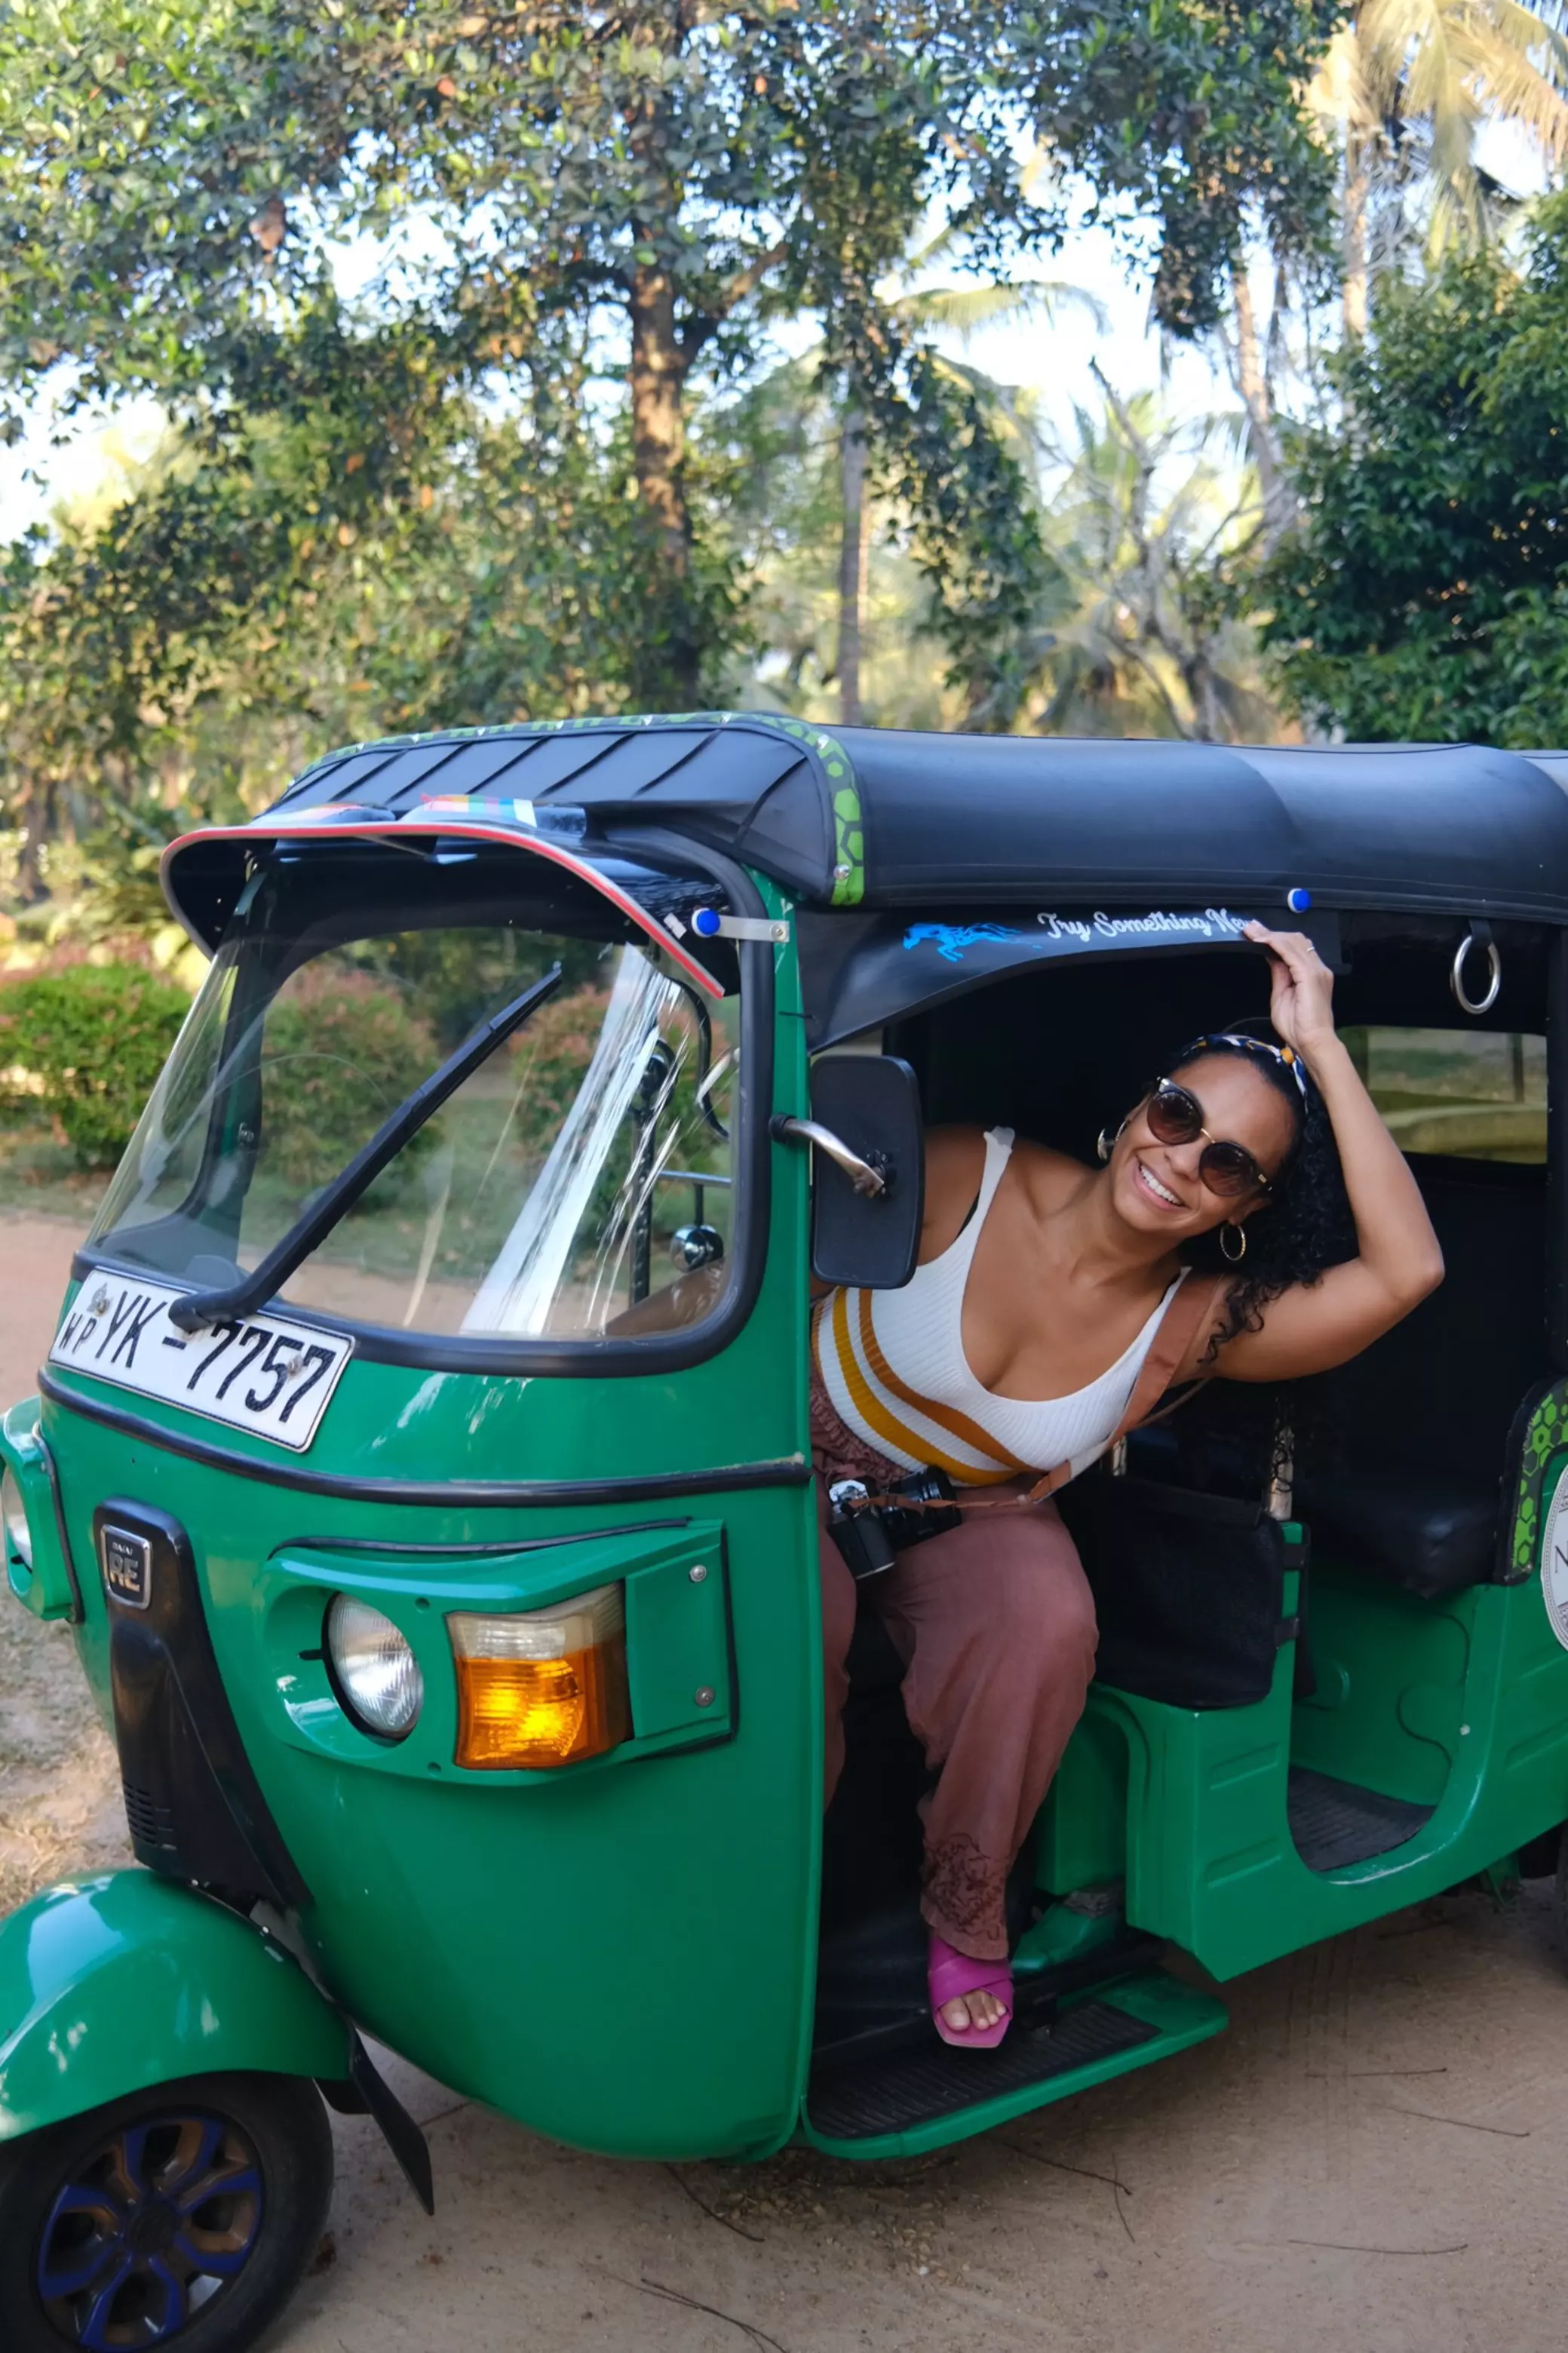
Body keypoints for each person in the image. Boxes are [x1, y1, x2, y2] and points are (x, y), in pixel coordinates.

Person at [811, 924, 1444, 2048]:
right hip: (790, 1459)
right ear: (1139, 1107)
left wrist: (1322, 1048)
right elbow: (769, 1277)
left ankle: (964, 1912)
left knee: (1045, 1621)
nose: (1184, 1160)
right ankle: (752, 1892)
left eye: (1230, 1165)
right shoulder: (965, 1170)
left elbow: (1408, 1273)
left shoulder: (1188, 1326)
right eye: (1179, 1114)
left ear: (1244, 1211)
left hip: (953, 1505)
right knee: (789, 1614)